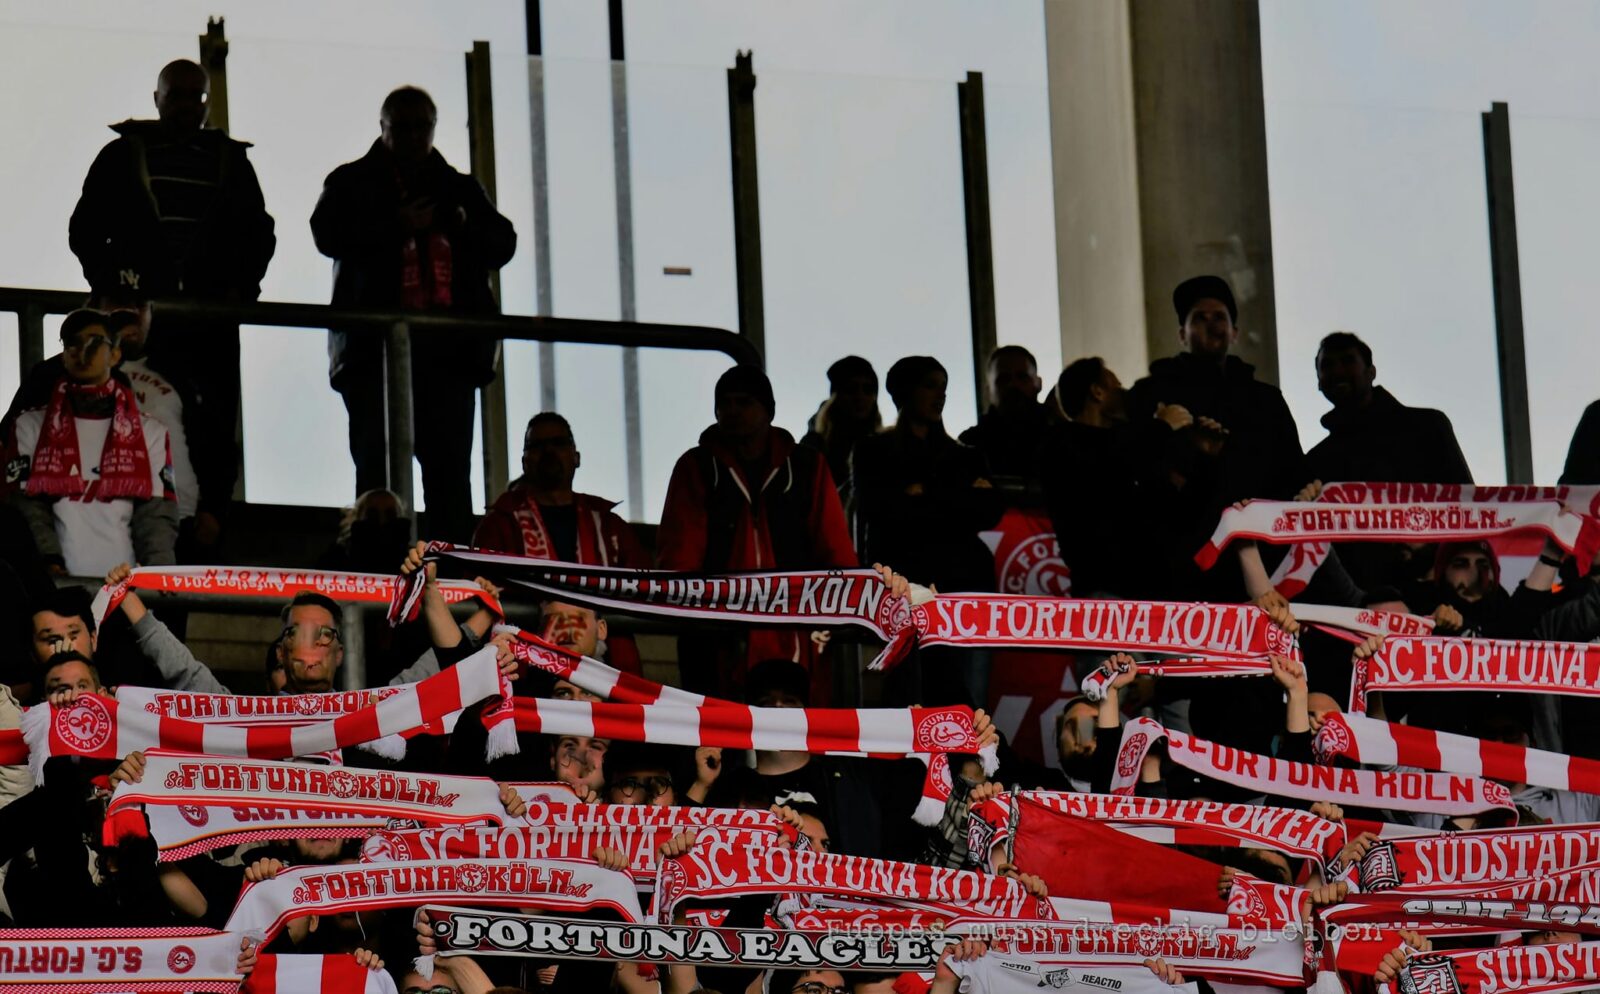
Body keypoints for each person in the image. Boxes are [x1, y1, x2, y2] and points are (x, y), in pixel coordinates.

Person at [69, 59, 276, 556]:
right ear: (157, 99)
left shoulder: (230, 162)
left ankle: (207, 521)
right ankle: (105, 510)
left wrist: (237, 292)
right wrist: (112, 287)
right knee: (127, 405)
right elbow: (85, 229)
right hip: (139, 317)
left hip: (207, 321)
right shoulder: (123, 156)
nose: (186, 106)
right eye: (176, 95)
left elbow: (259, 234)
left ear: (206, 103)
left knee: (211, 420)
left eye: (195, 97)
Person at [311, 85, 517, 543]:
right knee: (378, 477)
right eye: (401, 127)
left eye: (420, 127)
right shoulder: (351, 183)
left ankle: (448, 573)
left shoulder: (458, 190)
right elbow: (326, 233)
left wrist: (461, 224)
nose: (411, 136)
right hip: (374, 355)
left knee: (448, 479)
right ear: (382, 128)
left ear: (433, 128)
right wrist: (396, 225)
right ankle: (381, 569)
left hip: (446, 357)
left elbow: (503, 244)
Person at [657, 366, 856, 692]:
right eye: (724, 403)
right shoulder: (697, 467)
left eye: (744, 402)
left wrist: (848, 603)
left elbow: (835, 549)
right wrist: (687, 611)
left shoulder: (807, 467)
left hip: (797, 629)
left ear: (769, 410)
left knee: (796, 718)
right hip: (716, 633)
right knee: (718, 719)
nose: (732, 411)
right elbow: (680, 557)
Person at [3, 309, 177, 577]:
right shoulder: (29, 426)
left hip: (126, 590)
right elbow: (27, 510)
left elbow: (155, 519)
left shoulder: (151, 432)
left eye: (95, 341)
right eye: (72, 342)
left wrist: (156, 578)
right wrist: (49, 566)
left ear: (115, 354)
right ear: (63, 355)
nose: (82, 351)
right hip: (56, 590)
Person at [1127, 275, 1307, 518]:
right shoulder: (1150, 393)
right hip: (1180, 532)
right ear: (1182, 334)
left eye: (1219, 317)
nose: (1211, 325)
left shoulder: (1267, 400)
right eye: (1199, 318)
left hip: (1259, 534)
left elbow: (1293, 472)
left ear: (1234, 333)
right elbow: (1131, 464)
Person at [1306, 332, 1473, 590]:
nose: (1337, 371)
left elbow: (1468, 506)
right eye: (1328, 365)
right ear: (1318, 382)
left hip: (1436, 589)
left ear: (1371, 372)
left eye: (1348, 361)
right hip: (1358, 598)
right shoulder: (1318, 460)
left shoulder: (1428, 427)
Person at [1040, 356, 1199, 599]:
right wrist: (1161, 427)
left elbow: (1173, 505)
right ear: (1097, 392)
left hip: (1151, 591)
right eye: (1118, 387)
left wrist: (1205, 456)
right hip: (1105, 592)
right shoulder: (1062, 447)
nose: (1125, 394)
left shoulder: (1129, 446)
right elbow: (1105, 465)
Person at [474, 413, 645, 567]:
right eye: (537, 445)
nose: (548, 450)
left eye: (558, 443)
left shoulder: (609, 526)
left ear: (576, 458)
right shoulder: (500, 526)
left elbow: (641, 584)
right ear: (524, 463)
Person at [959, 345, 1051, 482]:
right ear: (988, 391)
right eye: (1003, 379)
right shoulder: (969, 445)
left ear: (1038, 383)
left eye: (1022, 377)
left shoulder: (1062, 438)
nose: (1013, 385)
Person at [801, 355, 881, 492]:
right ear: (836, 396)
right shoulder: (814, 447)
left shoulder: (882, 446)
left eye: (868, 390)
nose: (860, 397)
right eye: (851, 389)